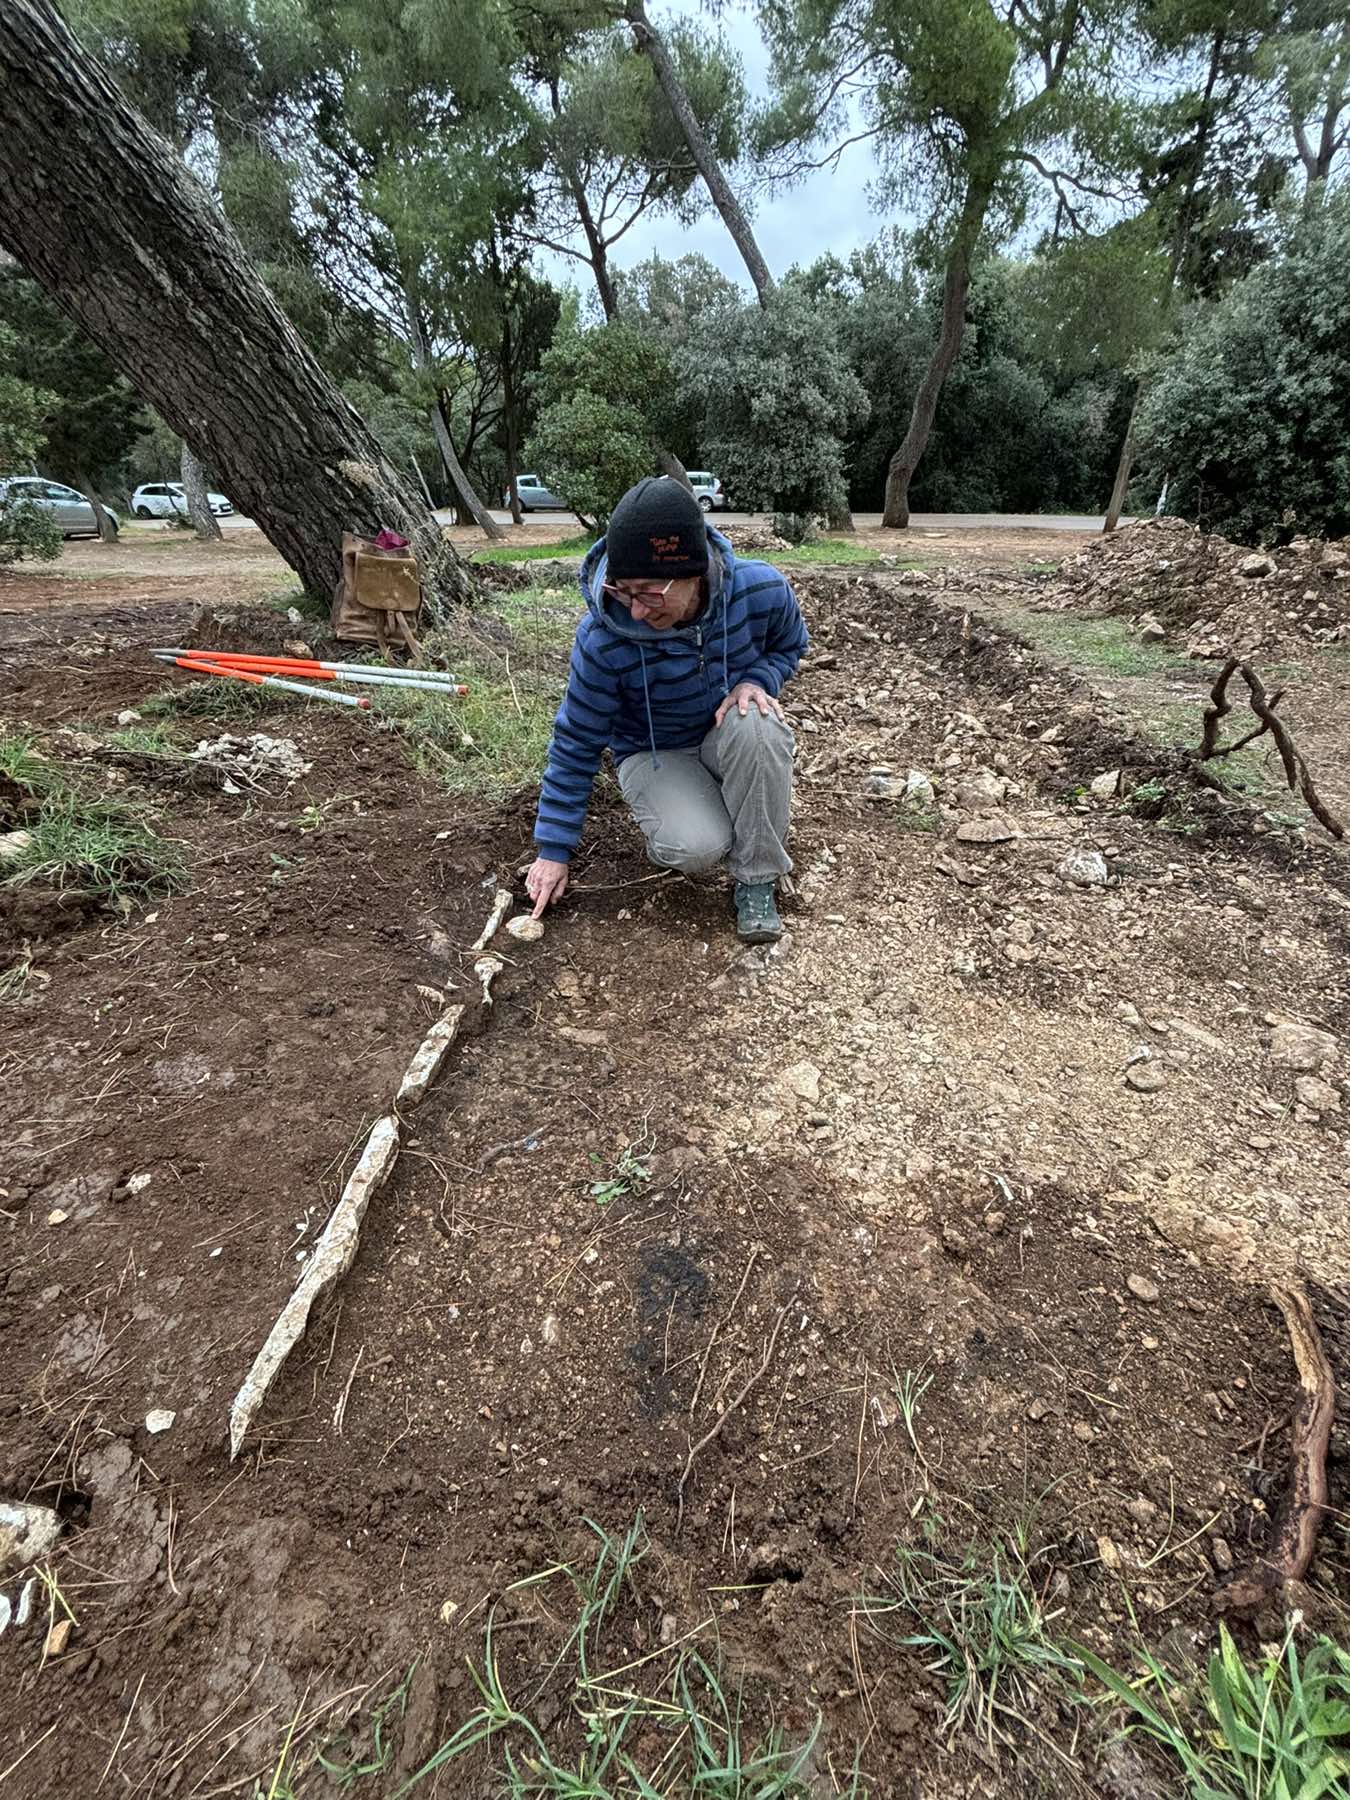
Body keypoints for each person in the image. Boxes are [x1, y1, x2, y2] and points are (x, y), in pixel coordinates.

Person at [525, 476, 808, 943]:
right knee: (697, 847)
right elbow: (576, 740)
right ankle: (727, 812)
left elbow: (790, 644)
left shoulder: (761, 590)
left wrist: (757, 680)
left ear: (693, 574)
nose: (634, 611)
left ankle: (757, 880)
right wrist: (553, 849)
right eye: (622, 591)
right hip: (653, 754)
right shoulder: (602, 639)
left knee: (758, 723)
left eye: (649, 593)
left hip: (726, 736)